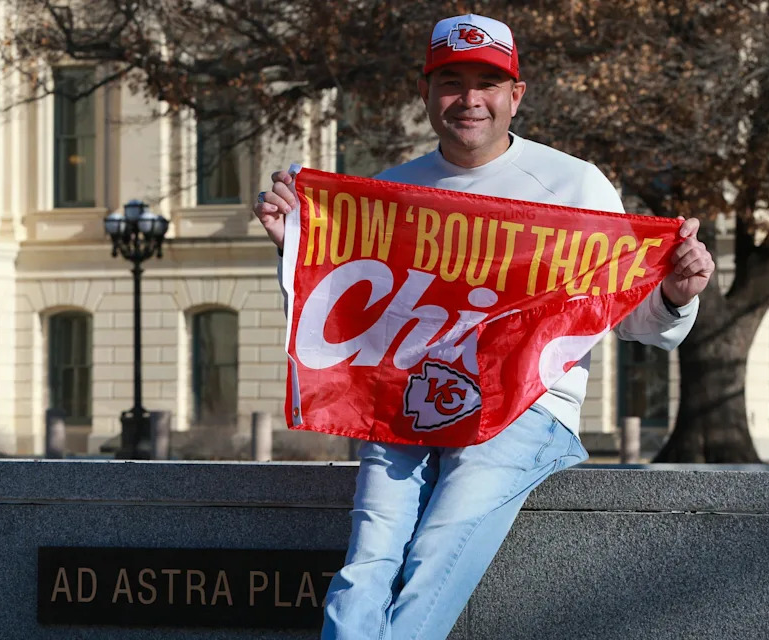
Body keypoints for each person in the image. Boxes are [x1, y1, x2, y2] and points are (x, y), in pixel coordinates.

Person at [253, 13, 715, 640]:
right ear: (426, 93)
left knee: (436, 550)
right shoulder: (389, 193)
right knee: (369, 558)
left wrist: (676, 293)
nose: (469, 99)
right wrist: (296, 250)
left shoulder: (574, 185)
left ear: (515, 96)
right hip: (401, 402)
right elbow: (341, 330)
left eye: (487, 82)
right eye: (451, 81)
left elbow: (635, 323)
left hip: (525, 404)